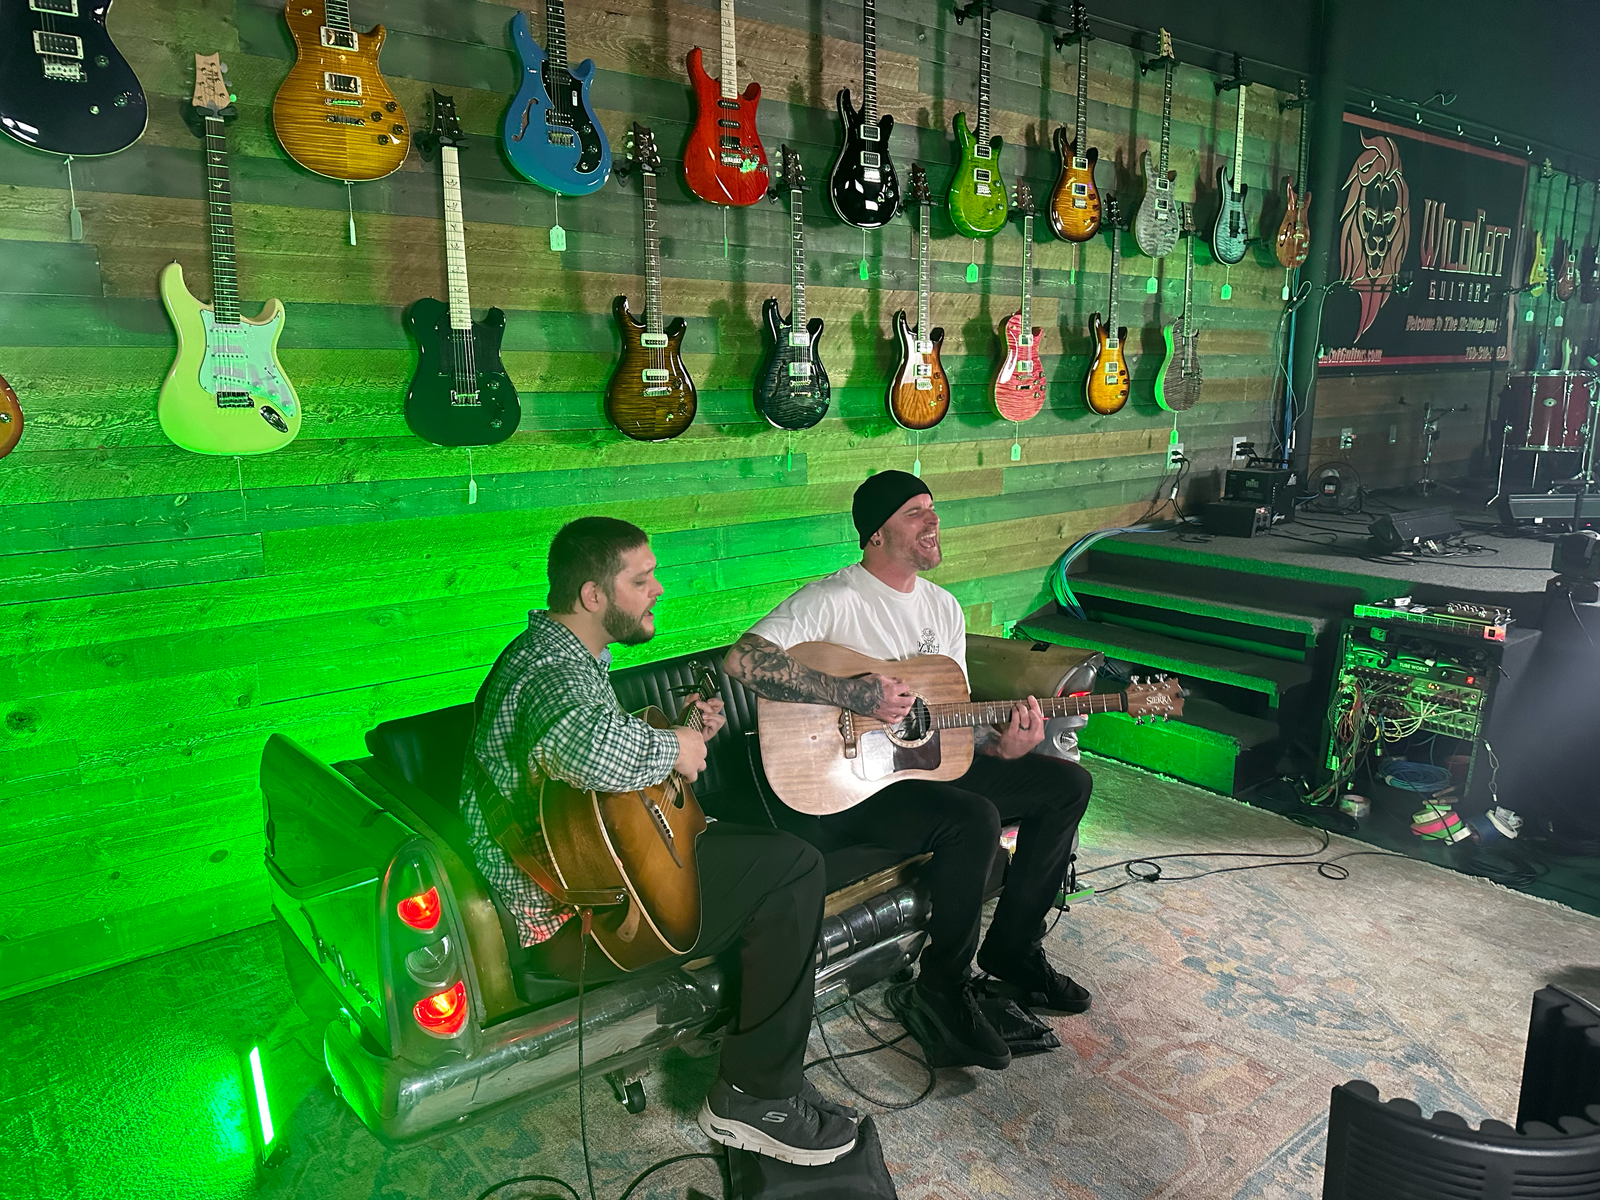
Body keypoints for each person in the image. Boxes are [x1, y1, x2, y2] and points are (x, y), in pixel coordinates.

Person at [459, 516, 857, 1166]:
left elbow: (583, 797)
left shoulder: (561, 655)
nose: (659, 589)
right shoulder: (550, 669)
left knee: (765, 851)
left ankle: (750, 1049)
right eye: (641, 580)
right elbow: (581, 747)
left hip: (594, 880)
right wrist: (674, 747)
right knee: (794, 870)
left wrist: (682, 733)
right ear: (593, 595)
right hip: (576, 924)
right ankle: (754, 1098)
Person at [725, 472, 1094, 1072]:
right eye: (915, 511)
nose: (933, 520)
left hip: (919, 767)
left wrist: (1004, 746)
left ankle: (1014, 951)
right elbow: (743, 660)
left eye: (933, 508)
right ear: (876, 533)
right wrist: (852, 694)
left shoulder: (942, 607)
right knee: (973, 818)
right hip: (851, 784)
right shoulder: (832, 599)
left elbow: (945, 724)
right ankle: (942, 988)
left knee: (1066, 784)